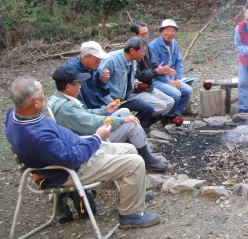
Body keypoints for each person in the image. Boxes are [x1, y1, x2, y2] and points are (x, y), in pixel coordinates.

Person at [5, 76, 161, 228]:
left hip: (77, 149)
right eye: (43, 96)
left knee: (130, 149)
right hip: (71, 170)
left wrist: (91, 140)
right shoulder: (37, 137)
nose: (46, 97)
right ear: (34, 102)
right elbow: (74, 159)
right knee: (135, 163)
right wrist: (97, 138)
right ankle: (130, 215)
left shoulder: (14, 114)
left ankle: (132, 196)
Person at [48, 65, 170, 172]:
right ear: (68, 87)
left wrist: (104, 110)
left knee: (124, 111)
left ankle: (133, 147)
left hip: (85, 132)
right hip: (88, 141)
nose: (80, 86)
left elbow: (84, 114)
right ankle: (147, 158)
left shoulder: (60, 99)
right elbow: (92, 123)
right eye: (78, 83)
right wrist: (121, 121)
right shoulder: (66, 107)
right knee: (131, 123)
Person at [101, 37, 157, 128]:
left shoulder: (133, 61)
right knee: (115, 118)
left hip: (126, 98)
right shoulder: (111, 60)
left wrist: (136, 83)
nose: (144, 54)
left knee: (148, 109)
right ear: (132, 50)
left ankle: (135, 130)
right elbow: (99, 83)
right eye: (142, 51)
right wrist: (109, 100)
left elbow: (131, 76)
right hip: (110, 102)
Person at [130, 22, 175, 125]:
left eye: (147, 33)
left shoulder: (147, 47)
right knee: (161, 105)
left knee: (170, 102)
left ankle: (146, 123)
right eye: (143, 34)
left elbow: (154, 65)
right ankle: (136, 124)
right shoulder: (131, 51)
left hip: (149, 86)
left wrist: (162, 70)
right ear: (134, 35)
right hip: (136, 90)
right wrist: (156, 72)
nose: (146, 37)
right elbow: (137, 75)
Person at [149, 19, 193, 119]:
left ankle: (175, 114)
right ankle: (166, 117)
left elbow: (179, 62)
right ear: (161, 31)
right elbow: (155, 68)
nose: (170, 33)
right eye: (167, 30)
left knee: (187, 90)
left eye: (173, 31)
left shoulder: (174, 44)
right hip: (156, 80)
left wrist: (178, 78)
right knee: (176, 94)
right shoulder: (153, 46)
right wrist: (168, 81)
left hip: (171, 78)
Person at [64, 41, 112, 109]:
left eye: (100, 59)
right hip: (87, 114)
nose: (99, 62)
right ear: (85, 57)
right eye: (97, 59)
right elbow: (79, 105)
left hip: (98, 109)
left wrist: (102, 82)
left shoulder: (96, 70)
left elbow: (105, 93)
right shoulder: (72, 71)